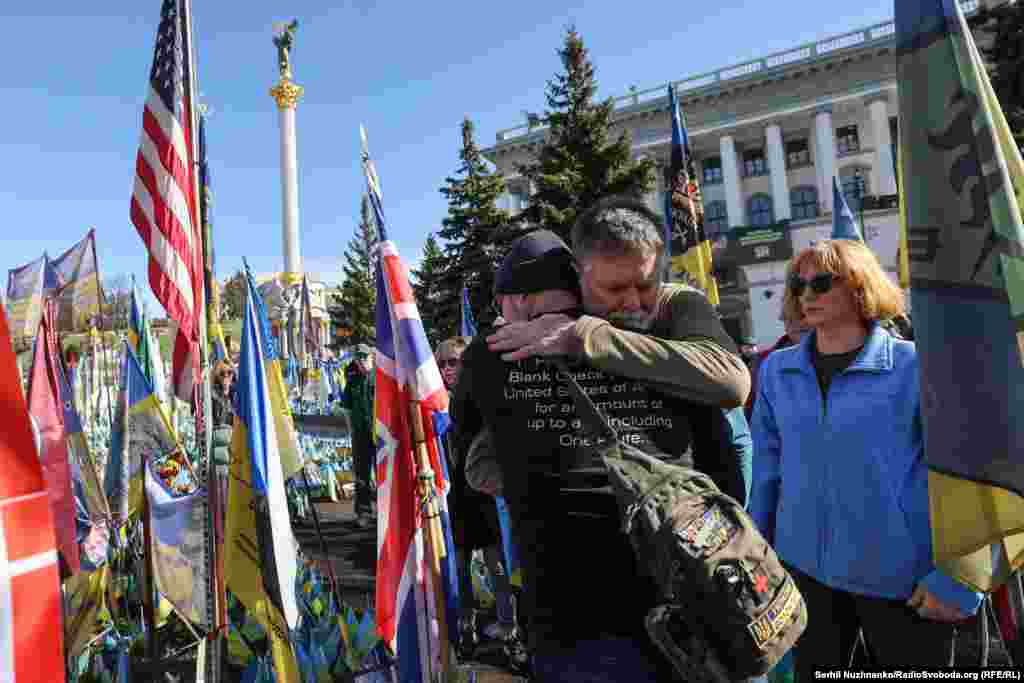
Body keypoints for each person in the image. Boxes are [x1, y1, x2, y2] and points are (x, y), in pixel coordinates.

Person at [456, 198, 749, 682]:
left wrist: (584, 335)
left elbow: (731, 384)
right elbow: (477, 463)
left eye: (645, 285)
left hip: (693, 589)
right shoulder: (497, 355)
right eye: (615, 289)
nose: (633, 302)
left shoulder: (672, 313)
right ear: (578, 275)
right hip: (575, 612)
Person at [749, 239, 982, 681]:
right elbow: (766, 474)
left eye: (821, 282)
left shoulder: (917, 366)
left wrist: (962, 579)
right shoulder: (777, 370)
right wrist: (756, 563)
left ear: (859, 286)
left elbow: (969, 476)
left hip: (905, 583)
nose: (806, 295)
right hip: (803, 577)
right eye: (797, 285)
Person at [436, 336, 519, 661]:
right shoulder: (434, 402)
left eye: (453, 362)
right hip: (453, 496)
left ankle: (509, 628)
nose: (446, 369)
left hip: (483, 496)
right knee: (459, 569)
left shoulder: (482, 399)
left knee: (496, 567)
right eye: (441, 363)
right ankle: (466, 626)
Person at [744, 308, 810, 420]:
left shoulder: (841, 357)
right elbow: (753, 414)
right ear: (783, 320)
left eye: (805, 315)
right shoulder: (762, 362)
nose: (800, 323)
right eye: (791, 317)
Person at [342, 344, 375, 528]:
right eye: (358, 359)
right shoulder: (352, 379)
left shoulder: (380, 377)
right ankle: (364, 512)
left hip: (379, 432)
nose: (361, 362)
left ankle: (387, 510)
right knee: (362, 474)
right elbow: (346, 407)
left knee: (384, 472)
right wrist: (351, 430)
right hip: (360, 432)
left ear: (371, 357)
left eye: (364, 358)